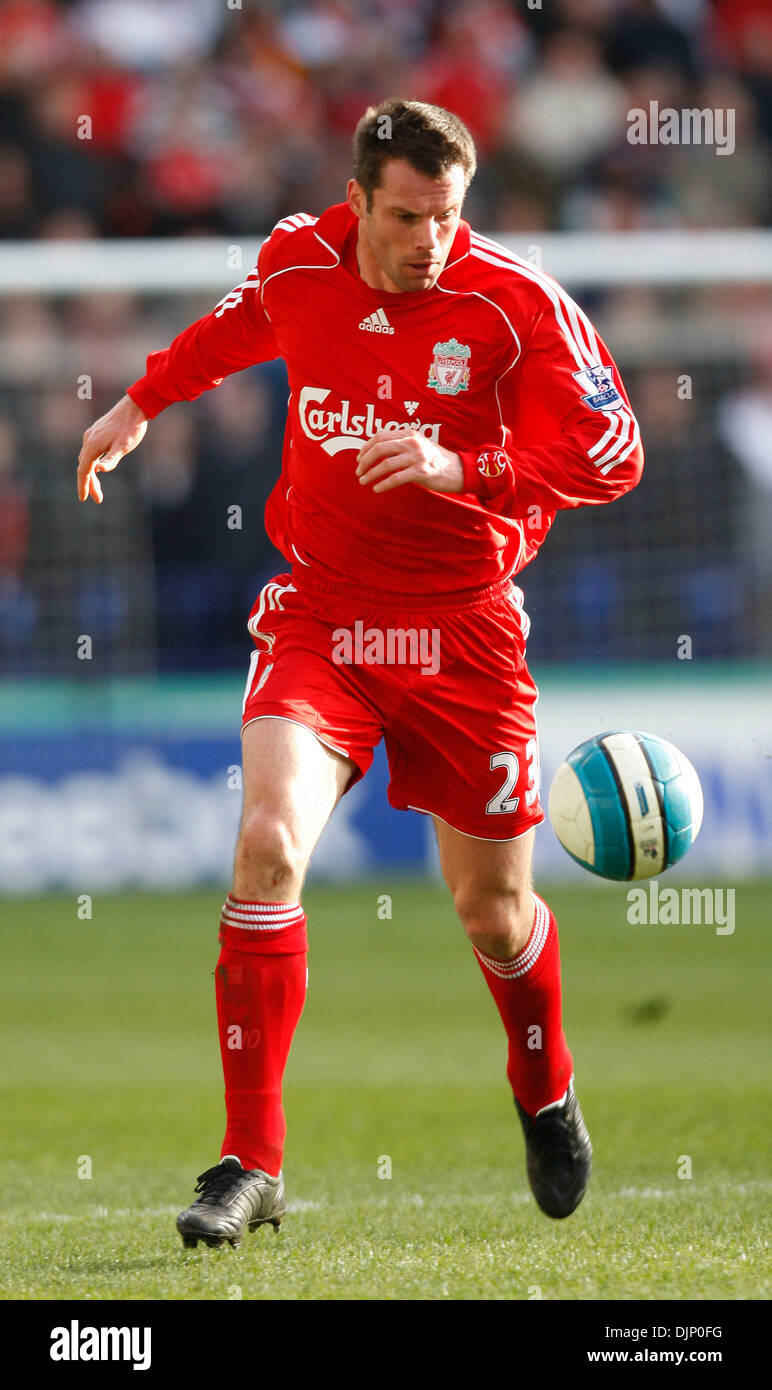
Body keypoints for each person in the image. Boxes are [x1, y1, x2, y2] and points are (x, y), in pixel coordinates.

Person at [77, 99, 644, 1248]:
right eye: (405, 213)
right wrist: (141, 403)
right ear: (357, 202)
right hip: (324, 618)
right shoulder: (300, 260)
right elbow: (234, 331)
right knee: (267, 846)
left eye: (447, 212)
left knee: (491, 911)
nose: (430, 236)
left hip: (463, 633)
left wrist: (464, 462)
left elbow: (613, 452)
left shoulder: (514, 305)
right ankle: (252, 1160)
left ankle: (544, 1089)